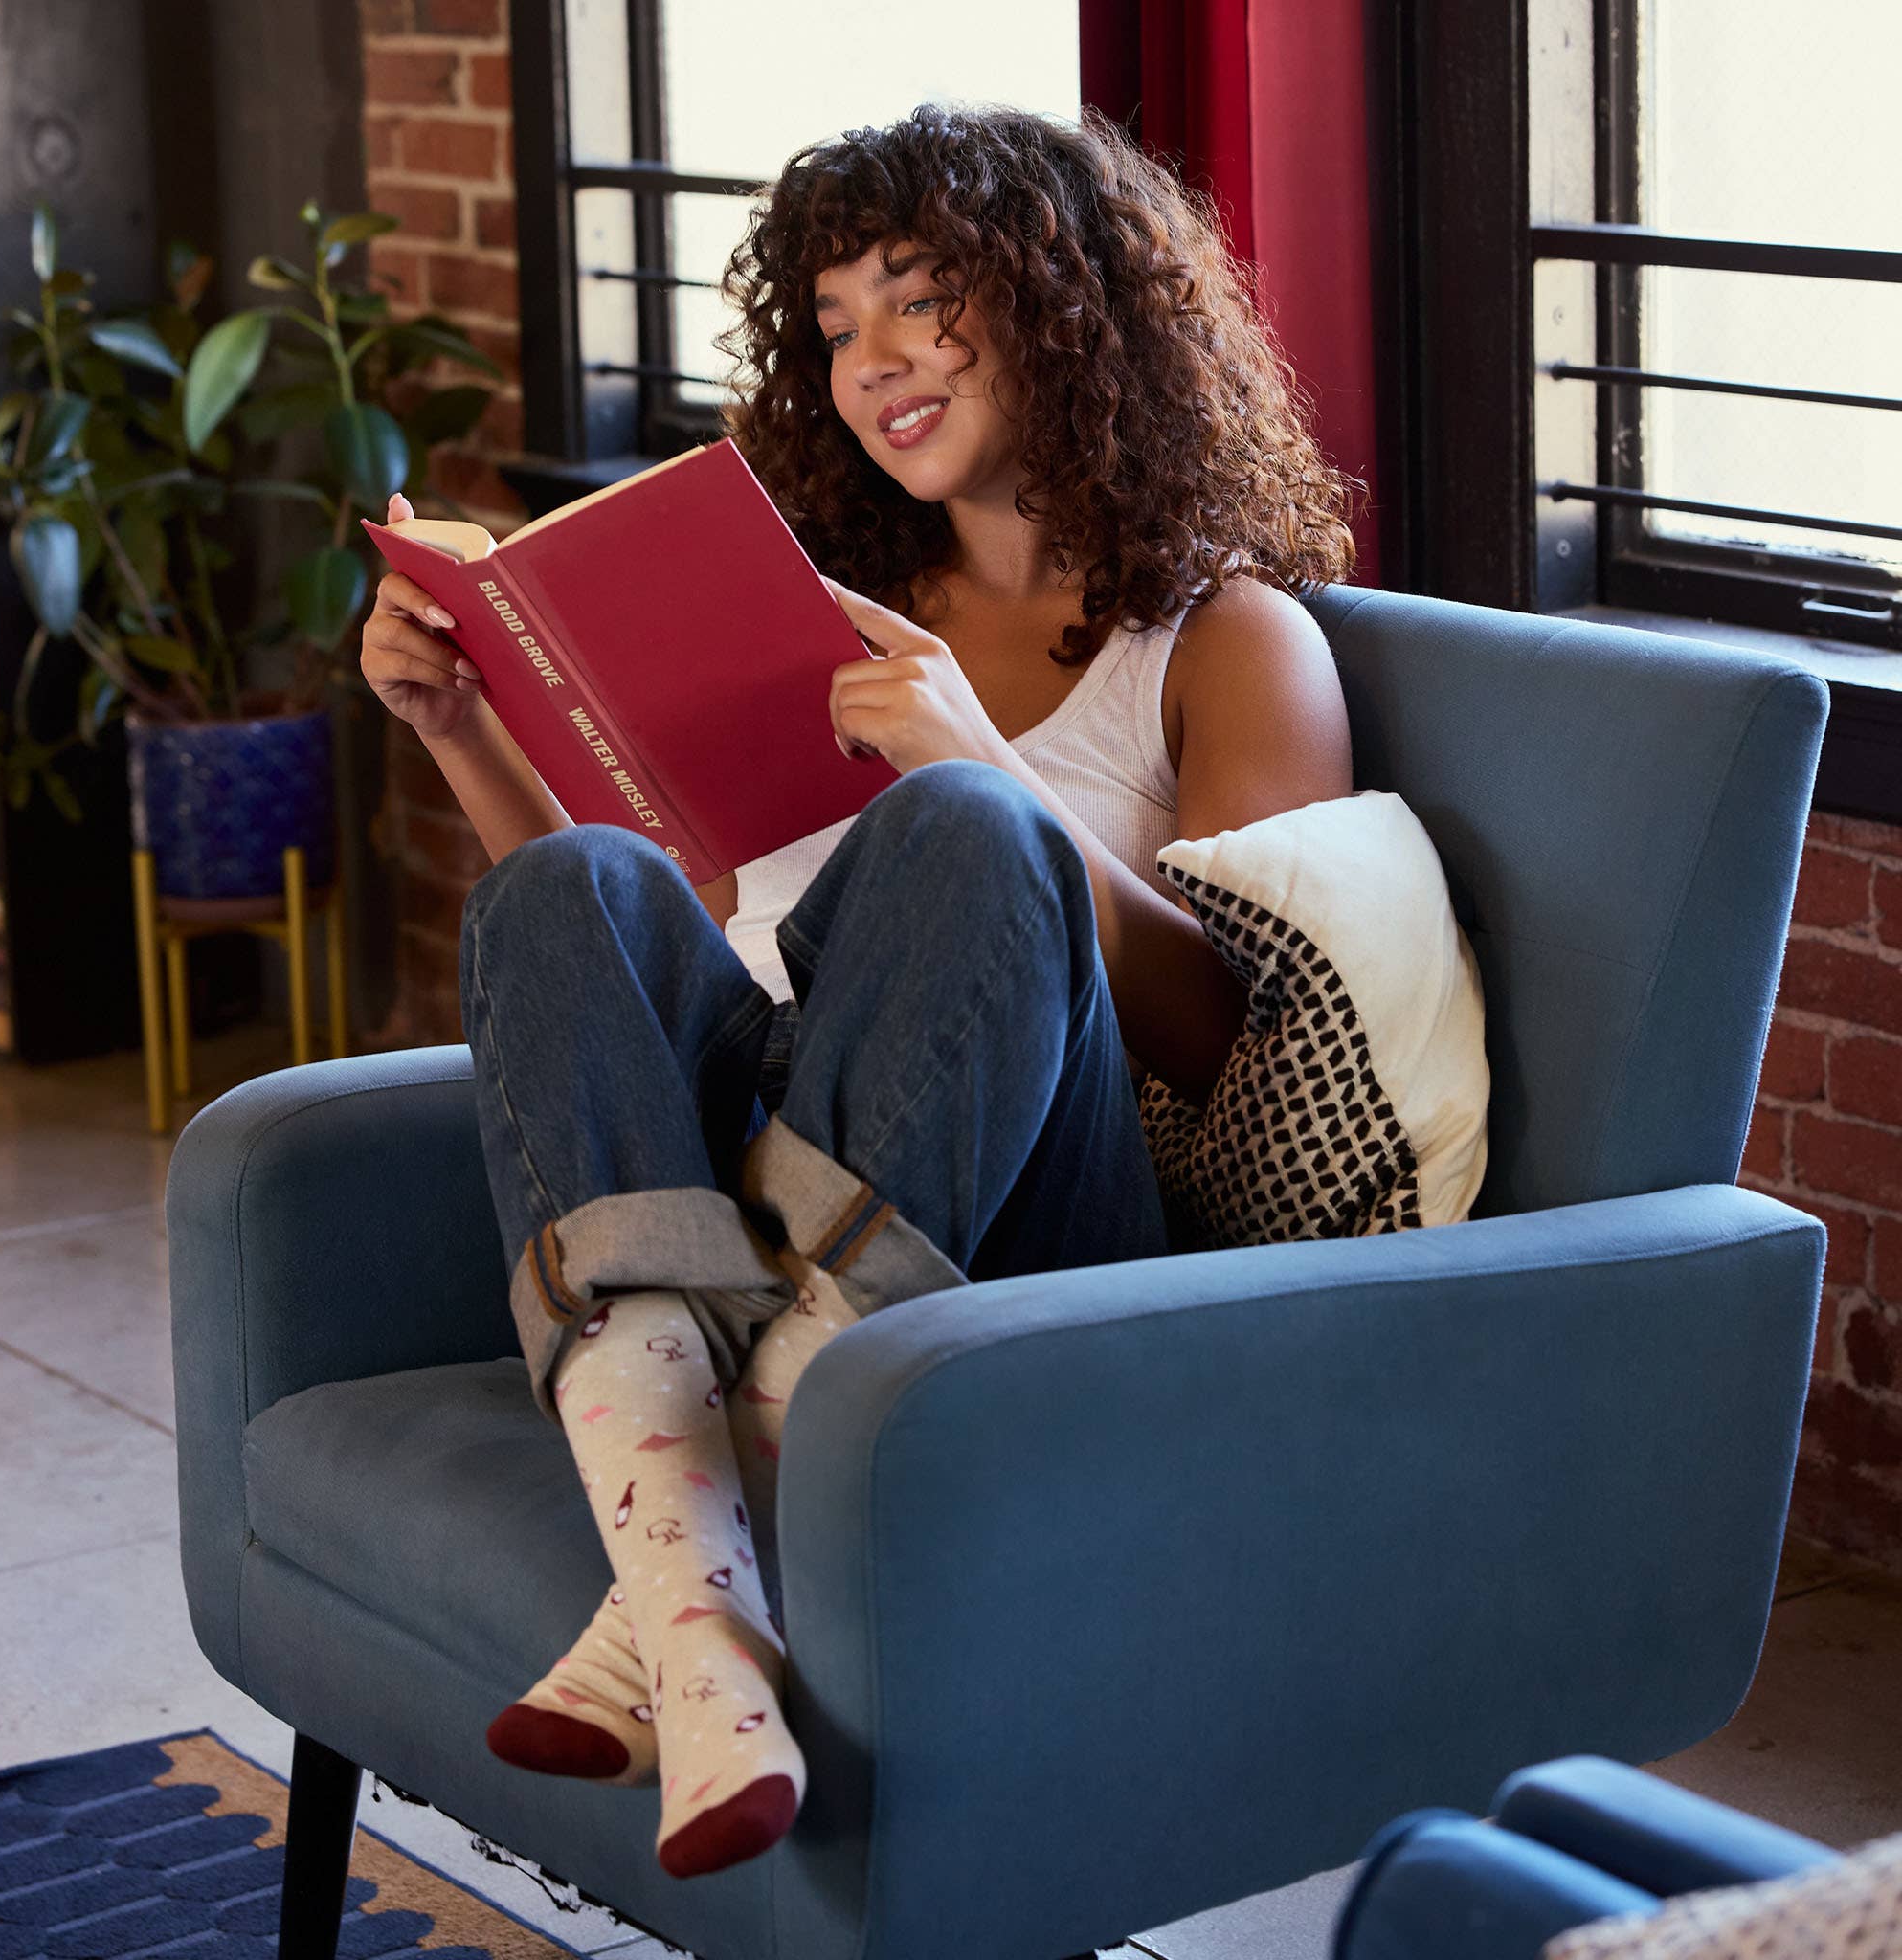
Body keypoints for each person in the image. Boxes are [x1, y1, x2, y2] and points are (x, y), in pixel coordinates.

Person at [357, 101, 1357, 1881]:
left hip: (1037, 1222)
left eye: (918, 300)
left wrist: (990, 764)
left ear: (1065, 302)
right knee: (561, 881)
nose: (870, 362)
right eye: (832, 327)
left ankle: (669, 1584)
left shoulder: (1223, 640)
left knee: (973, 829)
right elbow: (672, 914)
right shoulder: (830, 608)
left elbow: (1235, 1037)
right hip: (740, 1181)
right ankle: (701, 1601)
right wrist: (458, 727)